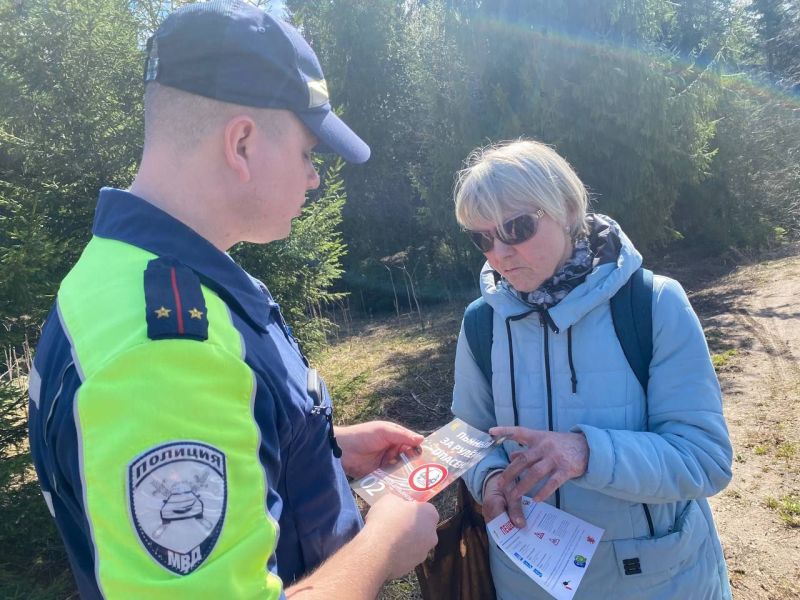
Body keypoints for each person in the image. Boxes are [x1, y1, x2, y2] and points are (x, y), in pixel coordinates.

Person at [26, 2, 438, 598]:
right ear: (242, 143)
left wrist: (323, 450)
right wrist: (383, 548)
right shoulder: (164, 351)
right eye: (307, 152)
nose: (314, 177)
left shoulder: (125, 276)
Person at [451, 140, 733, 599]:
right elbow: (471, 437)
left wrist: (587, 453)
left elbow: (705, 458)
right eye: (482, 238)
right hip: (527, 581)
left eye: (516, 228)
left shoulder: (653, 303)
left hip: (657, 580)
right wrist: (489, 481)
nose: (498, 254)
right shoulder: (481, 322)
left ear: (565, 208)